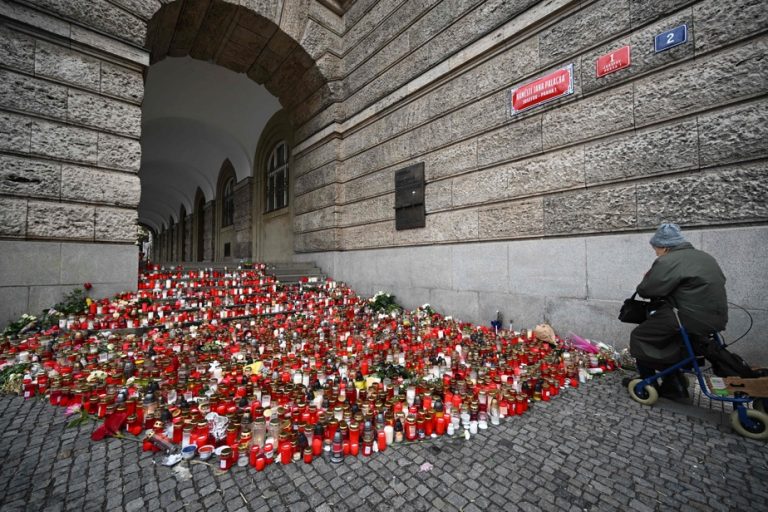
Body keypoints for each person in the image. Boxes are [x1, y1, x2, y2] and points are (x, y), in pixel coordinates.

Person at [628, 223, 728, 398]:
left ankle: (648, 380)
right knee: (674, 340)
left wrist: (647, 277)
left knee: (640, 336)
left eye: (656, 248)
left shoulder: (668, 260)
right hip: (716, 318)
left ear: (665, 247)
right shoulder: (704, 257)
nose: (655, 252)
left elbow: (647, 290)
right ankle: (673, 382)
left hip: (687, 317)